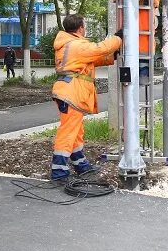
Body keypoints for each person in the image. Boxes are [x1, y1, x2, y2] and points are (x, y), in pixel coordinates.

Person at [49, 14, 123, 182]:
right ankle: (59, 172)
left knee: (75, 131)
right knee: (68, 132)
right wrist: (117, 38)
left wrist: (112, 56)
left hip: (68, 91)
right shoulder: (76, 45)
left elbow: (93, 59)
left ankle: (81, 165)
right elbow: (100, 49)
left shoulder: (70, 44)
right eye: (85, 26)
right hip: (71, 93)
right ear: (81, 28)